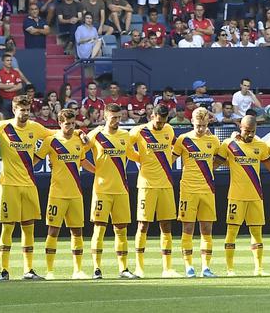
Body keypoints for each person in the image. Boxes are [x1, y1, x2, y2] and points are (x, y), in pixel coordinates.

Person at [0, 94, 54, 280]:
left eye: (27, 110)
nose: (25, 113)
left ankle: (28, 270)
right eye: (22, 110)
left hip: (29, 184)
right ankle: (4, 270)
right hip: (9, 185)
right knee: (8, 228)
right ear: (14, 110)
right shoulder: (3, 127)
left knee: (28, 228)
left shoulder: (35, 127)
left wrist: (79, 133)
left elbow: (55, 134)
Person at [35, 108, 90, 280]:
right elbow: (35, 160)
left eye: (73, 123)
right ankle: (50, 271)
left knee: (77, 231)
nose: (71, 127)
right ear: (60, 123)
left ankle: (78, 270)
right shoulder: (51, 141)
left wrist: (98, 171)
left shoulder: (78, 140)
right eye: (67, 124)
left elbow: (82, 161)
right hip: (57, 193)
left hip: (75, 193)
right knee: (53, 231)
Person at [221, 114, 270, 276]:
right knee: (231, 232)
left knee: (257, 233)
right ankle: (230, 269)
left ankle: (259, 268)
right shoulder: (229, 144)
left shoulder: (261, 146)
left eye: (253, 131)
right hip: (236, 196)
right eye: (246, 131)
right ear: (240, 128)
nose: (250, 134)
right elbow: (215, 162)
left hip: (255, 195)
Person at [128, 105, 180, 278]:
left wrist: (170, 159)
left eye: (163, 122)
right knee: (143, 225)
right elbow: (124, 146)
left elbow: (178, 145)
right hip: (146, 184)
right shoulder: (139, 131)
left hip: (165, 183)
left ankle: (167, 268)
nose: (160, 125)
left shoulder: (169, 129)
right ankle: (139, 267)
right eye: (158, 122)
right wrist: (139, 158)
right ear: (152, 116)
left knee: (166, 225)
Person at [171, 106, 221, 278]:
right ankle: (189, 266)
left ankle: (206, 267)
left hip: (207, 189)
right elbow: (170, 159)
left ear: (208, 123)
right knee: (188, 228)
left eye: (204, 125)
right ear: (192, 121)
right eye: (198, 125)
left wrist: (210, 169)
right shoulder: (183, 140)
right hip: (188, 190)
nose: (200, 129)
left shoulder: (214, 140)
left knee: (207, 228)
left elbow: (222, 158)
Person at [88, 103, 135, 279]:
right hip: (102, 190)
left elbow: (133, 155)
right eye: (114, 117)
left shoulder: (125, 135)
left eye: (119, 117)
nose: (117, 121)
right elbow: (79, 152)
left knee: (121, 230)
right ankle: (96, 268)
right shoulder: (96, 135)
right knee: (99, 229)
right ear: (105, 116)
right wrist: (94, 170)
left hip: (121, 189)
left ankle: (123, 269)